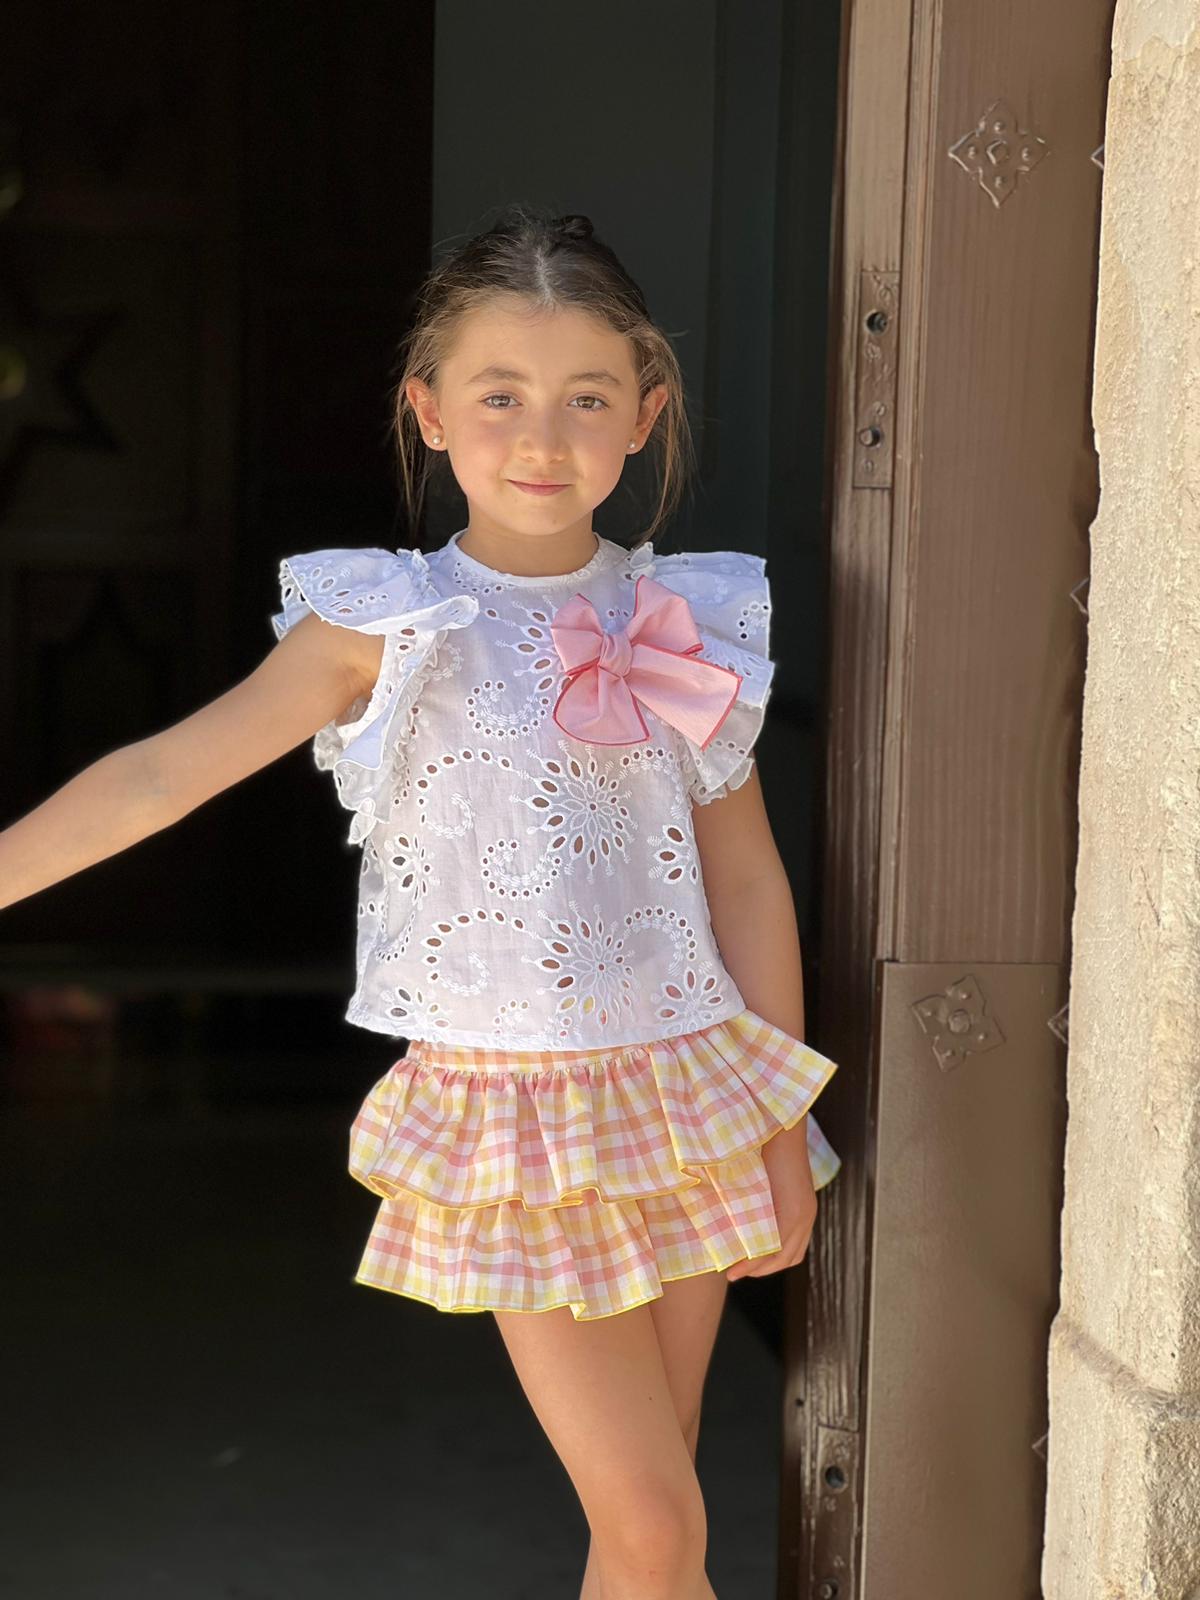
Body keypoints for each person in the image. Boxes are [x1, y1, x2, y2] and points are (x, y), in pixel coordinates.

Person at [1, 203, 841, 1600]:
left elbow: (746, 878)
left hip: (691, 1090)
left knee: (658, 1509)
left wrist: (778, 1120)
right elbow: (159, 776)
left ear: (646, 414)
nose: (543, 437)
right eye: (500, 396)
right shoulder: (384, 627)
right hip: (516, 1112)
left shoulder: (682, 618)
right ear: (429, 410)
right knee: (656, 1524)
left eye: (586, 398)